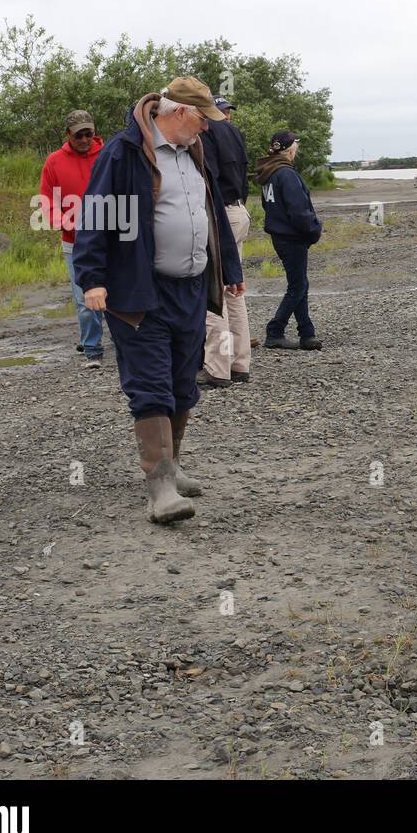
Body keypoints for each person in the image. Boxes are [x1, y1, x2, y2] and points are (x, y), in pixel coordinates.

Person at [72, 76, 244, 524]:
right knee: (150, 383)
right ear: (180, 113)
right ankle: (160, 487)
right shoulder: (125, 153)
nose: (207, 128)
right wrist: (91, 279)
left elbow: (211, 214)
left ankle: (173, 466)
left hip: (190, 288)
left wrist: (230, 269)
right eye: (202, 120)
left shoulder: (194, 154)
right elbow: (95, 215)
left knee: (183, 380)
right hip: (140, 291)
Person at [39, 110, 105, 367]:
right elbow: (47, 201)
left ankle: (125, 344)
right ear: (67, 135)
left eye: (89, 133)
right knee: (84, 297)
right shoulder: (54, 162)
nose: (85, 139)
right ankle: (92, 348)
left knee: (117, 294)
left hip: (109, 238)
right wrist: (66, 223)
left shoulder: (106, 154)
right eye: (79, 135)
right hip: (74, 242)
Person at [199, 96, 252, 388]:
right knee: (234, 289)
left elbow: (209, 179)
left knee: (214, 290)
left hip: (219, 214)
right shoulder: (234, 132)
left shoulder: (205, 131)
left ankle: (218, 368)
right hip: (239, 210)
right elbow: (243, 177)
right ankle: (239, 362)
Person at [256, 132, 323, 350]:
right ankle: (275, 330)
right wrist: (314, 231)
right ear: (290, 150)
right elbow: (298, 211)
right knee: (298, 286)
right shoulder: (285, 174)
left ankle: (307, 333)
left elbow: (268, 206)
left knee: (299, 284)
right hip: (292, 237)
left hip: (280, 236)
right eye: (296, 147)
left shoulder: (269, 172)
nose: (297, 151)